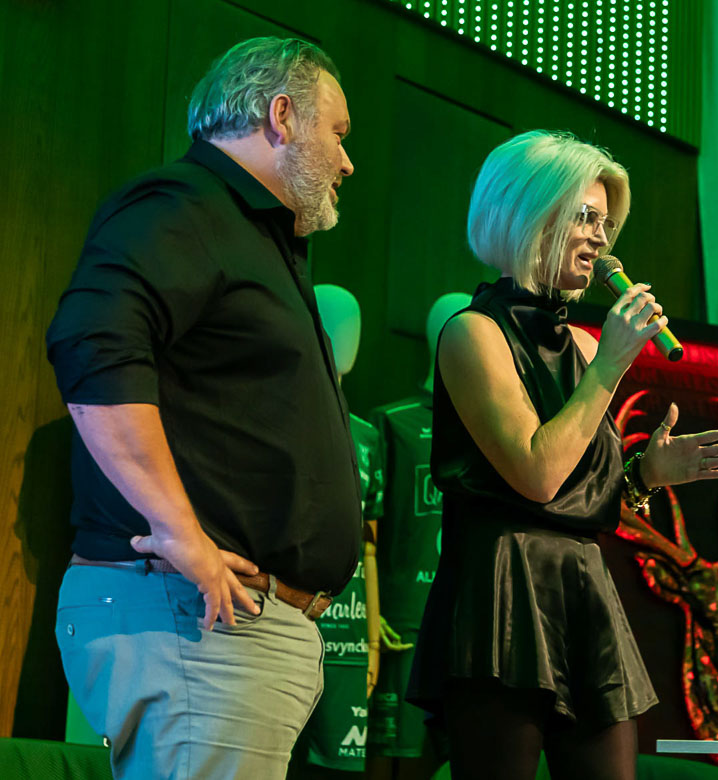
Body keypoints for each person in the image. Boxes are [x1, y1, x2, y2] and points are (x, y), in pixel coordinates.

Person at [45, 37, 358, 779]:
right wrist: (179, 531)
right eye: (338, 133)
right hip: (193, 620)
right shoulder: (183, 205)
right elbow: (93, 343)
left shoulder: (249, 235)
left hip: (224, 630)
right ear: (281, 116)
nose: (347, 162)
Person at [408, 130, 718, 780]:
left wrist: (645, 474)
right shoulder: (473, 334)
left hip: (584, 587)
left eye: (605, 222)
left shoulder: (586, 346)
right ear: (530, 214)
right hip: (502, 590)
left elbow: (581, 495)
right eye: (585, 217)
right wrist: (612, 365)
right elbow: (536, 474)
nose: (600, 238)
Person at [367, 293, 471, 779]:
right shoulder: (393, 422)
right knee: (395, 757)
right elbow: (368, 529)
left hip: (470, 623)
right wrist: (374, 612)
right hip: (403, 622)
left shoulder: (495, 429)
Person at [306, 284, 388, 773]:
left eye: (354, 323)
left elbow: (369, 548)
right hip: (292, 620)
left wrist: (371, 640)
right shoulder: (285, 425)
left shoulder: (368, 437)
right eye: (337, 322)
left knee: (337, 767)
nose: (348, 335)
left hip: (350, 629)